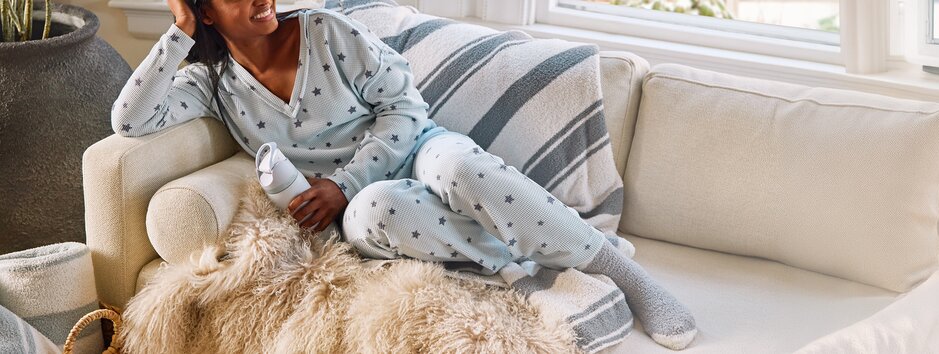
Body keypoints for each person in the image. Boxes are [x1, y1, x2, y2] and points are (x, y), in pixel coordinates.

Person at [111, 0, 697, 349]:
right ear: (205, 10)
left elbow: (406, 108)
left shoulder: (326, 32)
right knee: (374, 212)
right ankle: (529, 251)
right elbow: (129, 119)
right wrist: (179, 32)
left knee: (459, 165)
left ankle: (616, 268)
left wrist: (342, 182)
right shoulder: (209, 84)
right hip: (365, 211)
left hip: (417, 150)